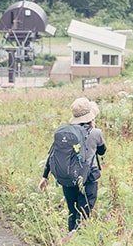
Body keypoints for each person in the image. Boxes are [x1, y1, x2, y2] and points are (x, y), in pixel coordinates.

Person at [39, 97, 106, 232]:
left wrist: (45, 176)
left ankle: (70, 239)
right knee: (84, 213)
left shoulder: (66, 133)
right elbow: (102, 151)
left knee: (72, 212)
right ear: (90, 116)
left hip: (68, 178)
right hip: (88, 178)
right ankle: (77, 241)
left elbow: (52, 154)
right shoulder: (96, 132)